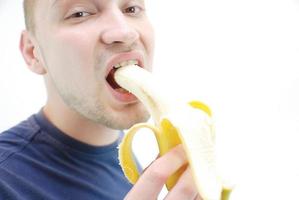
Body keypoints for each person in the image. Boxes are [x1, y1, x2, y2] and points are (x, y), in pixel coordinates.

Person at [0, 0, 201, 199]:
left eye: (131, 9)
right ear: (32, 52)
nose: (124, 32)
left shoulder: (128, 159)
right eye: (80, 13)